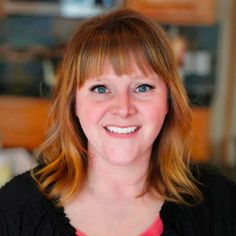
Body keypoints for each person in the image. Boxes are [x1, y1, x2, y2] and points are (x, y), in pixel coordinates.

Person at [0, 9, 235, 236]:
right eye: (101, 88)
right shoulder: (14, 208)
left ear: (169, 101)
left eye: (142, 87)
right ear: (73, 104)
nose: (123, 108)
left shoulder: (221, 205)